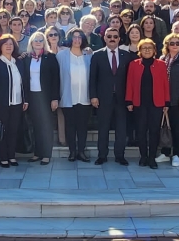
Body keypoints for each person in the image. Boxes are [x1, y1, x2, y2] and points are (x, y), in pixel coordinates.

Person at [89, 27, 131, 166]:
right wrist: (93, 96)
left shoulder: (127, 55)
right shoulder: (97, 55)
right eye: (109, 36)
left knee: (121, 129)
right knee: (103, 128)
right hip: (103, 98)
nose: (112, 38)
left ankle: (120, 156)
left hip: (122, 99)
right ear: (104, 38)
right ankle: (102, 155)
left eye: (115, 36)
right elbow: (92, 78)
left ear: (119, 39)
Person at [126, 39, 169, 168]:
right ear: (139, 50)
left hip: (156, 103)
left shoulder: (161, 64)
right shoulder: (134, 64)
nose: (147, 50)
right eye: (144, 48)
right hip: (139, 103)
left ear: (154, 50)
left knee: (154, 131)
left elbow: (165, 84)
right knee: (141, 131)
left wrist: (166, 102)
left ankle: (152, 158)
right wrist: (129, 100)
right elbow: (130, 83)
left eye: (150, 48)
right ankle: (143, 157)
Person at [0, 34, 29, 168]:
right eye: (5, 44)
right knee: (2, 131)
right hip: (1, 104)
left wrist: (25, 99)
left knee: (13, 131)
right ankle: (3, 157)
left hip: (17, 103)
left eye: (11, 44)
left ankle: (12, 156)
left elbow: (24, 82)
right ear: (0, 46)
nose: (8, 46)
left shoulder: (18, 62)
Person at [21, 32, 60, 165]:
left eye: (40, 40)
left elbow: (56, 79)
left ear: (44, 43)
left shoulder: (50, 57)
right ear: (31, 43)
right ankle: (37, 153)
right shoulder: (26, 58)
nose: (38, 42)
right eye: (35, 40)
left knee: (46, 126)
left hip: (46, 97)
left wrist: (55, 98)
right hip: (32, 97)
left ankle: (46, 154)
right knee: (35, 126)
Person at [57, 28, 93, 162]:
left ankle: (81, 152)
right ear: (70, 39)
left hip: (85, 97)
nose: (77, 40)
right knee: (70, 125)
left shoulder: (89, 54)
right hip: (68, 97)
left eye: (79, 37)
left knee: (83, 126)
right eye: (74, 37)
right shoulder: (61, 56)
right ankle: (72, 151)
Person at [154, 33, 179, 166]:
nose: (174, 46)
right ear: (167, 45)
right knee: (164, 126)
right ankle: (165, 152)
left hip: (177, 99)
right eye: (172, 43)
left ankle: (177, 154)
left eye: (177, 43)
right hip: (162, 99)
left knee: (177, 127)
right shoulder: (162, 59)